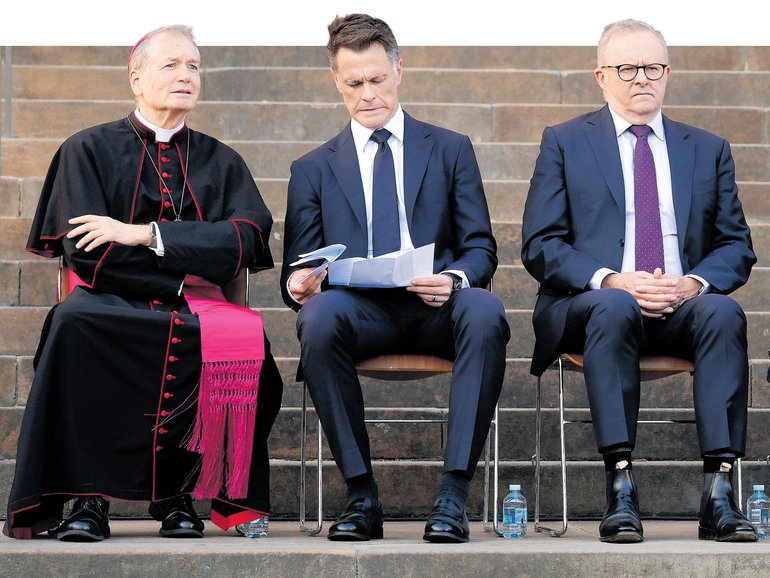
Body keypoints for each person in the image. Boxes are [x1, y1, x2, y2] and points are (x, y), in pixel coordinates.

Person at [4, 24, 283, 541]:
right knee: (74, 323)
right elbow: (90, 254)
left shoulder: (222, 161)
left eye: (194, 67)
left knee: (247, 340)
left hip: (196, 307)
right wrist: (192, 263)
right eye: (172, 65)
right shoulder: (85, 149)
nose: (186, 76)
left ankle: (180, 496)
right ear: (136, 77)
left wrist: (145, 235)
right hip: (108, 299)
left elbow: (246, 239)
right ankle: (88, 499)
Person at [521, 19, 757, 543]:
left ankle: (719, 492)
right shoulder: (564, 143)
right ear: (601, 76)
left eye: (651, 67)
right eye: (627, 68)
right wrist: (611, 280)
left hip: (681, 306)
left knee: (723, 312)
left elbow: (737, 246)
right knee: (614, 307)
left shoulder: (707, 147)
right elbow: (540, 244)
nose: (640, 78)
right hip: (594, 309)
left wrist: (692, 284)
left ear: (667, 73)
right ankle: (620, 486)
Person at [280, 13, 509, 543]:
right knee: (318, 316)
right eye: (355, 83)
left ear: (399, 70)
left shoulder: (450, 148)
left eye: (377, 80)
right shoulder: (312, 169)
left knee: (486, 310)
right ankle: (361, 496)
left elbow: (481, 247)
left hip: (436, 307)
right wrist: (299, 286)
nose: (368, 94)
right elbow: (297, 267)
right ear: (336, 81)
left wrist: (453, 278)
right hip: (360, 312)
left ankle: (453, 495)